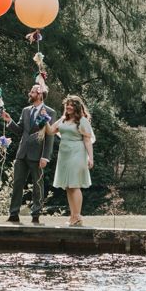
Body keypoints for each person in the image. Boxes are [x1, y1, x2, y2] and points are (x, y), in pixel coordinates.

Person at [0, 85, 56, 224]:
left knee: (38, 185)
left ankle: (36, 214)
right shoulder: (25, 111)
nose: (29, 93)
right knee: (17, 183)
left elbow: (50, 137)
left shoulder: (49, 112)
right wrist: (9, 121)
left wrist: (45, 156)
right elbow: (20, 130)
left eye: (32, 91)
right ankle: (14, 214)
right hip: (22, 153)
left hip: (38, 155)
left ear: (40, 94)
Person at [44, 95, 95, 226]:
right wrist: (44, 118)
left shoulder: (82, 121)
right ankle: (73, 216)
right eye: (67, 104)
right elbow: (50, 131)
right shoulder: (62, 120)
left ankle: (78, 216)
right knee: (67, 186)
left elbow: (87, 140)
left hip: (77, 152)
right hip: (64, 154)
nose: (69, 107)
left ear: (77, 107)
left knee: (75, 184)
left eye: (72, 105)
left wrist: (90, 157)